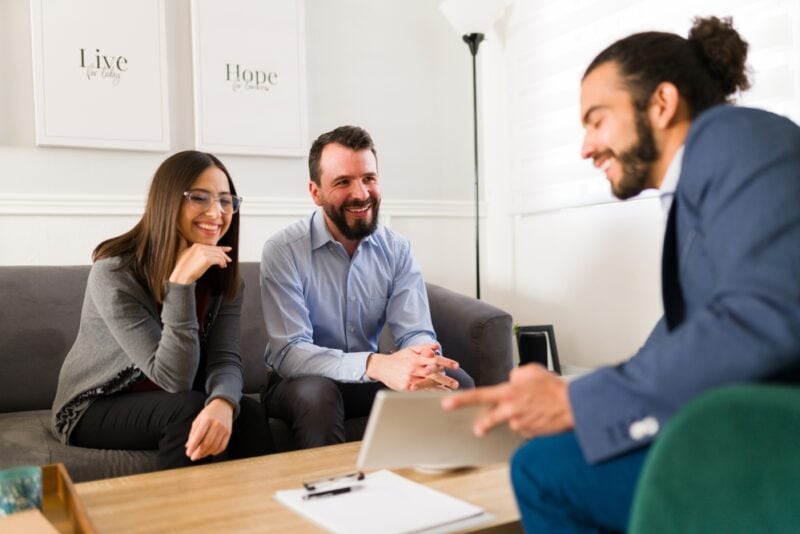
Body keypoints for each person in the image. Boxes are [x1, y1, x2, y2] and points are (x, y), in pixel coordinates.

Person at [443, 16, 800, 532]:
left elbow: (760, 317)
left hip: (774, 439)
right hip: (745, 422)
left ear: (661, 103)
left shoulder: (733, 140)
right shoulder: (709, 174)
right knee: (555, 453)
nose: (586, 147)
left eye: (597, 119)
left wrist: (575, 401)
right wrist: (561, 400)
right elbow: (685, 335)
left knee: (545, 472)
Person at [52, 150, 274, 470]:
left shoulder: (226, 280)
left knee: (247, 413)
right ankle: (182, 519)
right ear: (168, 200)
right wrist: (180, 285)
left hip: (174, 397)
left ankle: (263, 516)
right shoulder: (114, 274)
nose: (217, 212)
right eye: (199, 198)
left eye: (226, 200)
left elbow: (225, 359)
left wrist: (224, 403)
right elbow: (174, 379)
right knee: (188, 408)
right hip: (95, 406)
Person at [260, 125, 474, 449]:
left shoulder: (397, 249)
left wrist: (424, 361)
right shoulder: (283, 250)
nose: (361, 193)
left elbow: (415, 331)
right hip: (298, 383)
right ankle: (331, 497)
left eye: (368, 178)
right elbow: (291, 353)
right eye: (343, 182)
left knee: (453, 382)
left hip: (367, 379)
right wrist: (375, 364)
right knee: (319, 394)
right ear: (315, 192)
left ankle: (446, 492)